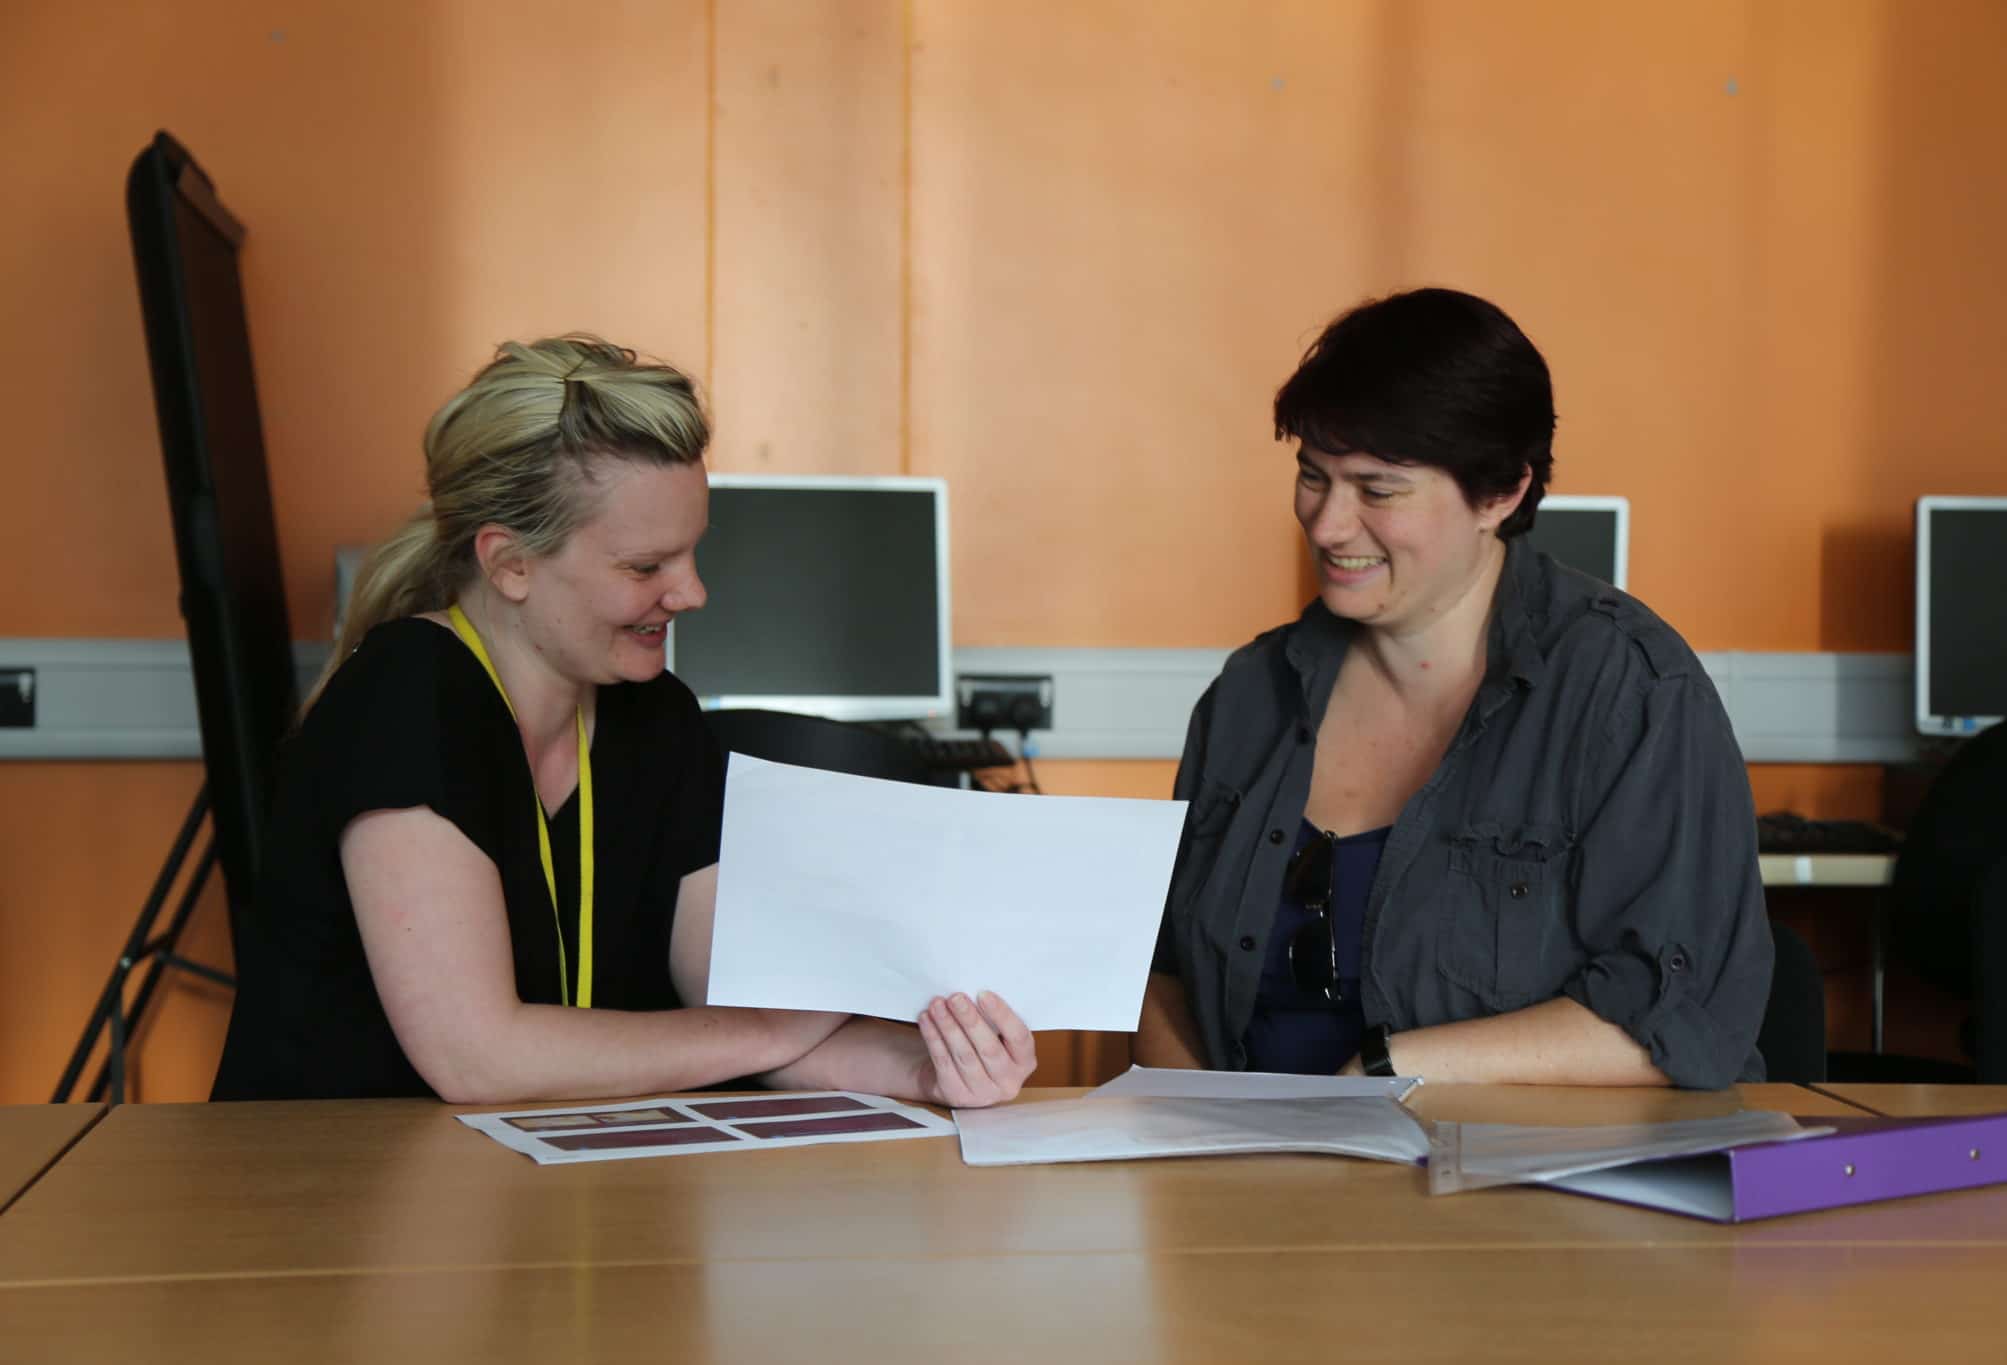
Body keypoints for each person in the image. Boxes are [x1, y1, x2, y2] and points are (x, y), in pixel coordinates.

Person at [212, 336, 1035, 1105]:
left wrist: (927, 1069)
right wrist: (773, 1025)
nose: (692, 593)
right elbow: (477, 1056)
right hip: (326, 1212)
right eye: (646, 566)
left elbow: (741, 1021)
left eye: (692, 552)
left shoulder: (655, 716)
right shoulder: (404, 695)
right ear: (510, 563)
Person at [1136, 288, 1772, 1089]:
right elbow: (1163, 980)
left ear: (1500, 493)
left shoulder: (1631, 692)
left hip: (1519, 1204)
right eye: (1312, 476)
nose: (1328, 523)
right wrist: (1204, 1142)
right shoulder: (1249, 694)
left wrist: (1385, 1076)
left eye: (1378, 489)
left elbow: (1677, 1023)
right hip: (1255, 1193)